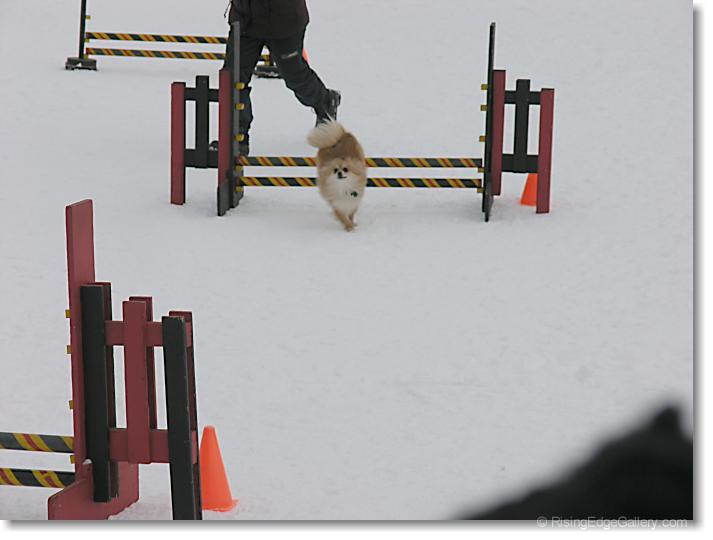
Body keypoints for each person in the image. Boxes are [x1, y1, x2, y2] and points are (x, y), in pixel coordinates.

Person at [224, 0, 341, 156]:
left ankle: (324, 101)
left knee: (295, 76)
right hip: (246, 21)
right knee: (232, 78)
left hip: (284, 21)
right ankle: (237, 135)